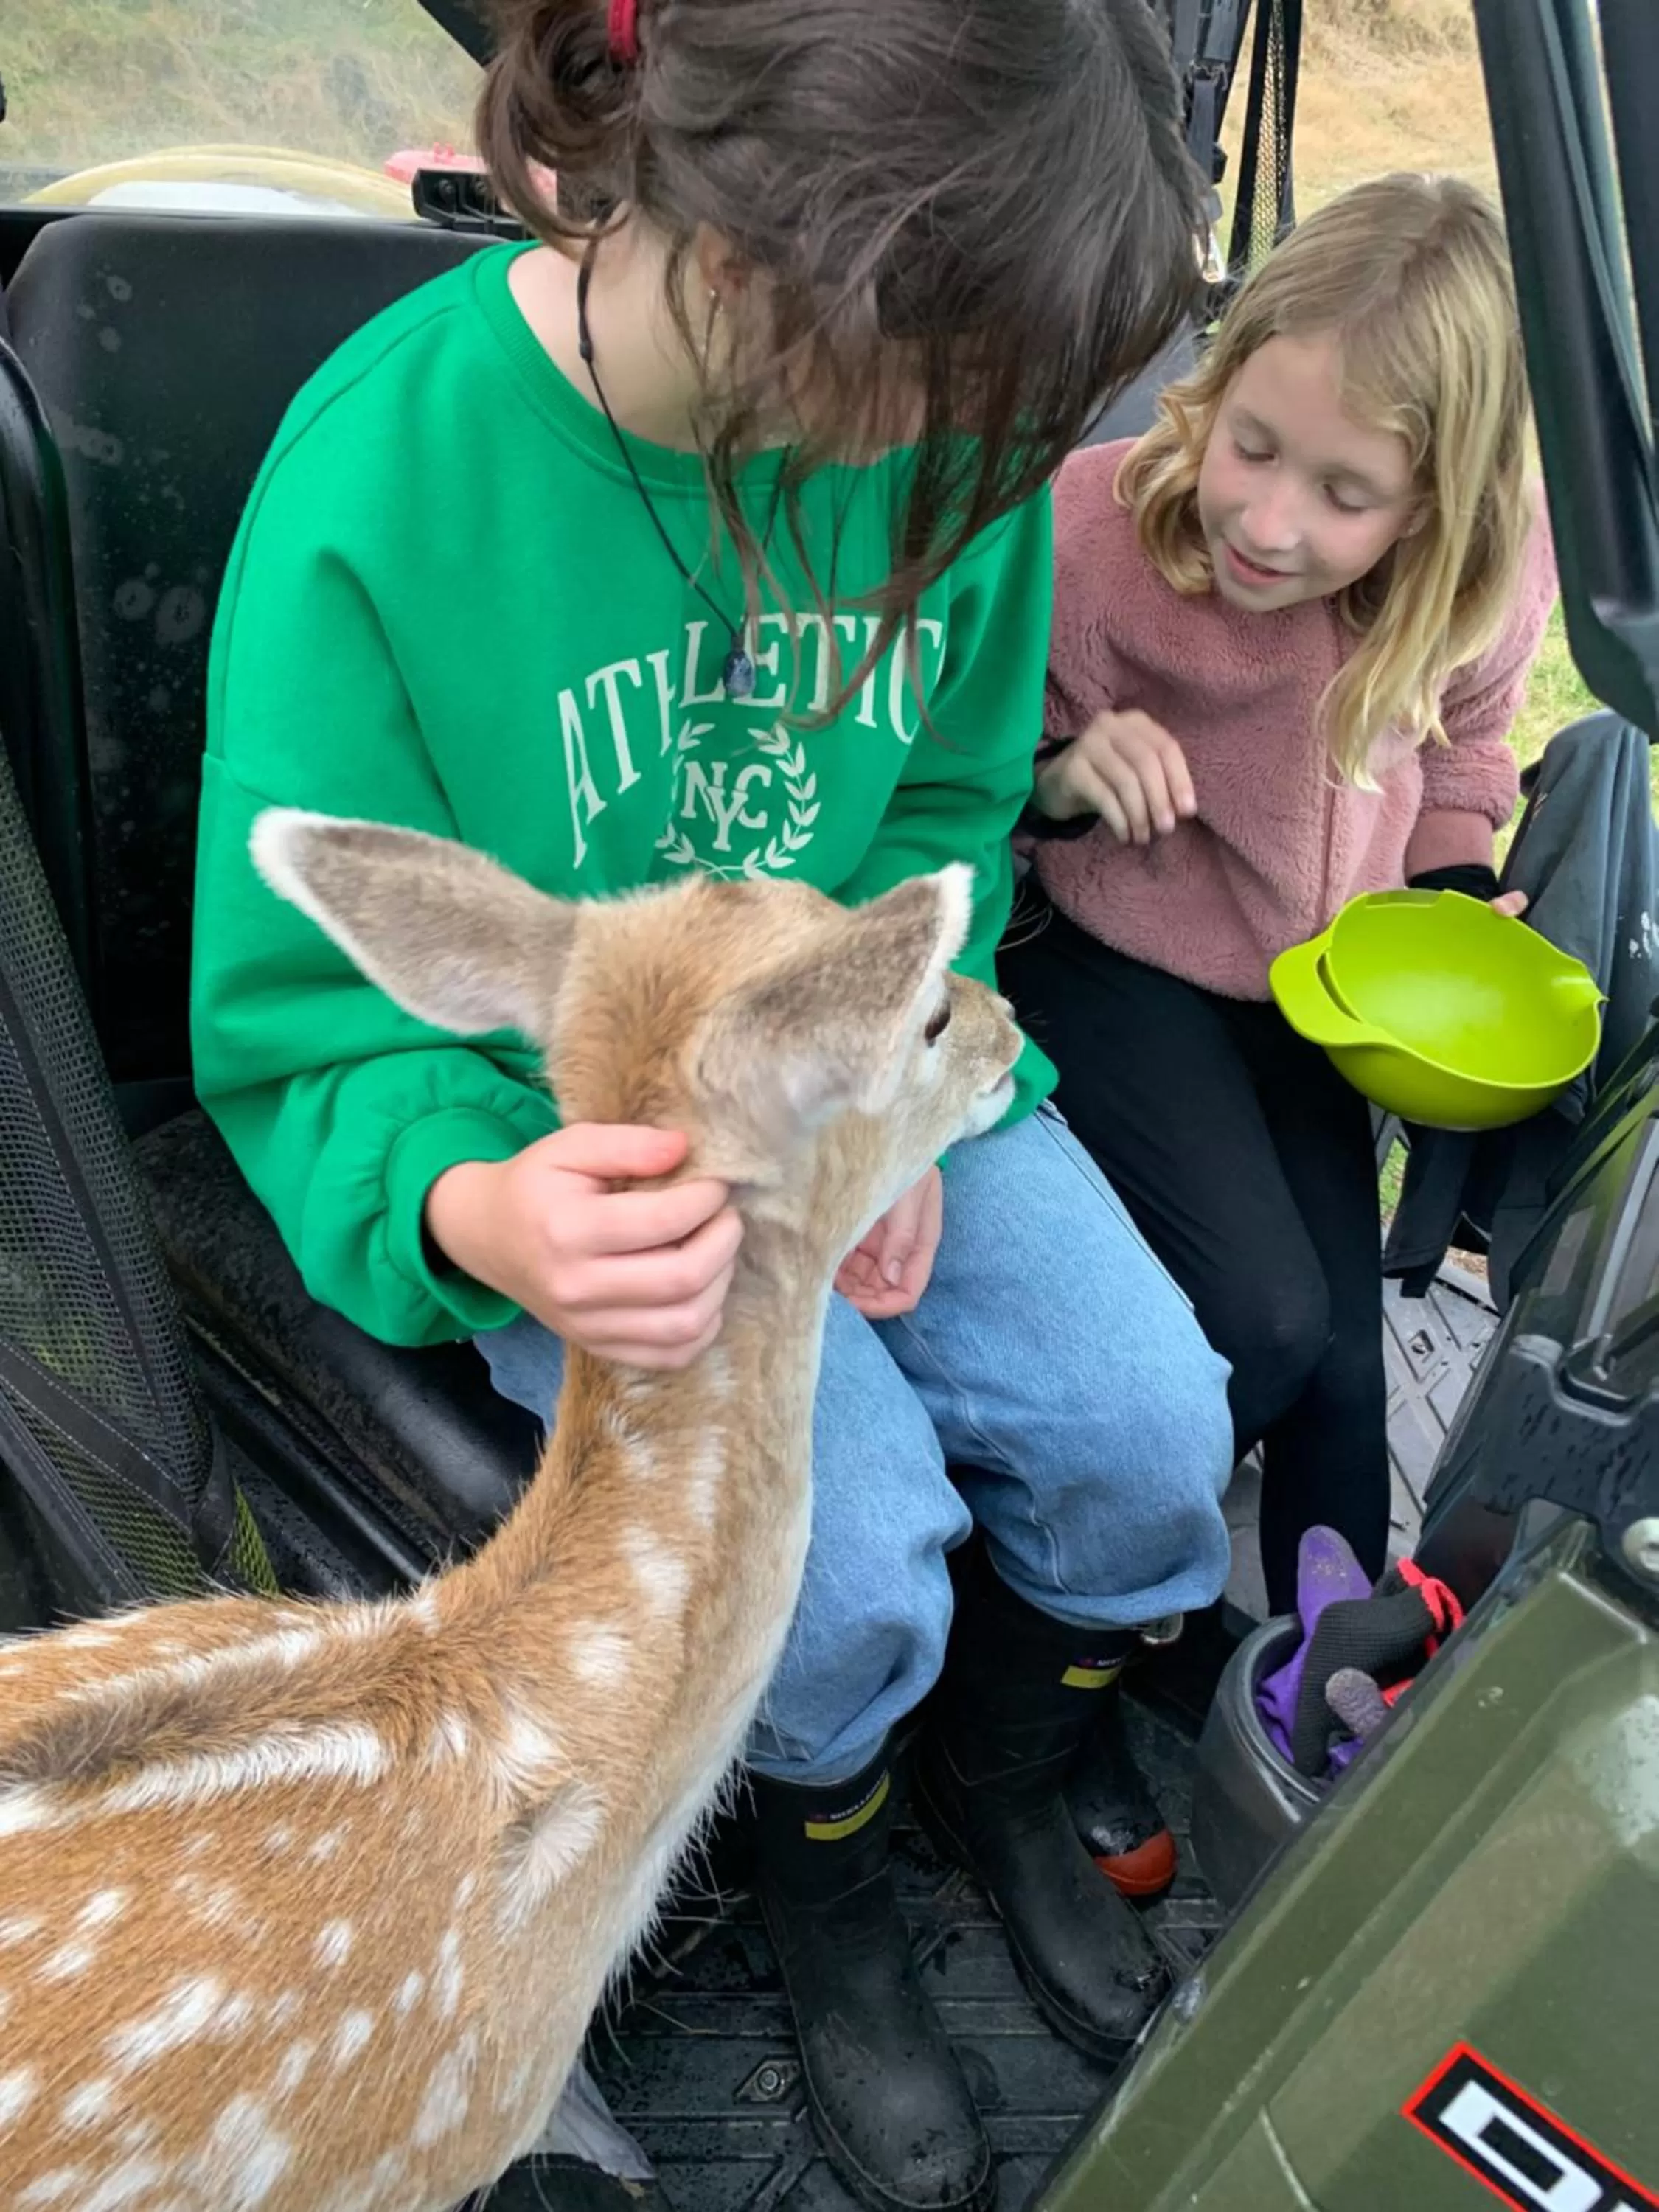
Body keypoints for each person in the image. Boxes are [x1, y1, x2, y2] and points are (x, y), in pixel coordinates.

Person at [189, 5, 1236, 2208]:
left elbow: (942, 810)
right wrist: (487, 1209)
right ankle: (830, 1889)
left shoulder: (941, 455)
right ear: (768, 264)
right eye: (939, 400)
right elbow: (306, 1016)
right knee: (841, 1583)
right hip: (597, 1166)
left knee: (1152, 1430)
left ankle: (998, 1782)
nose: (963, 469)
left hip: (869, 1074)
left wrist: (896, 1100)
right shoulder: (385, 482)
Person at [1002, 173, 1557, 1628]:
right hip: (1107, 952)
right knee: (1262, 1322)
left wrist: (1453, 893)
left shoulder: (1485, 577)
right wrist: (1064, 777)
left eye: (1343, 495)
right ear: (1223, 375)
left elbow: (1468, 751)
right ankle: (1054, 1614)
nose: (1264, 518)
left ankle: (1328, 1669)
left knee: (1345, 1375)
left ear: (1435, 504)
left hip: (1313, 993)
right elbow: (967, 772)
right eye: (1250, 446)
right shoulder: (1094, 532)